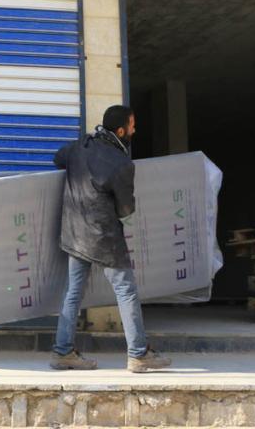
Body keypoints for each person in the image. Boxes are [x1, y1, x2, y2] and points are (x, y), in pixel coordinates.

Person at [50, 105, 172, 373]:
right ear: (120, 131)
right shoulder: (122, 164)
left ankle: (63, 352)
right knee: (126, 291)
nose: (134, 130)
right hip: (104, 237)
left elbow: (58, 158)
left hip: (74, 233)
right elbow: (126, 209)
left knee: (73, 292)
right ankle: (139, 355)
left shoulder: (80, 147)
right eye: (132, 125)